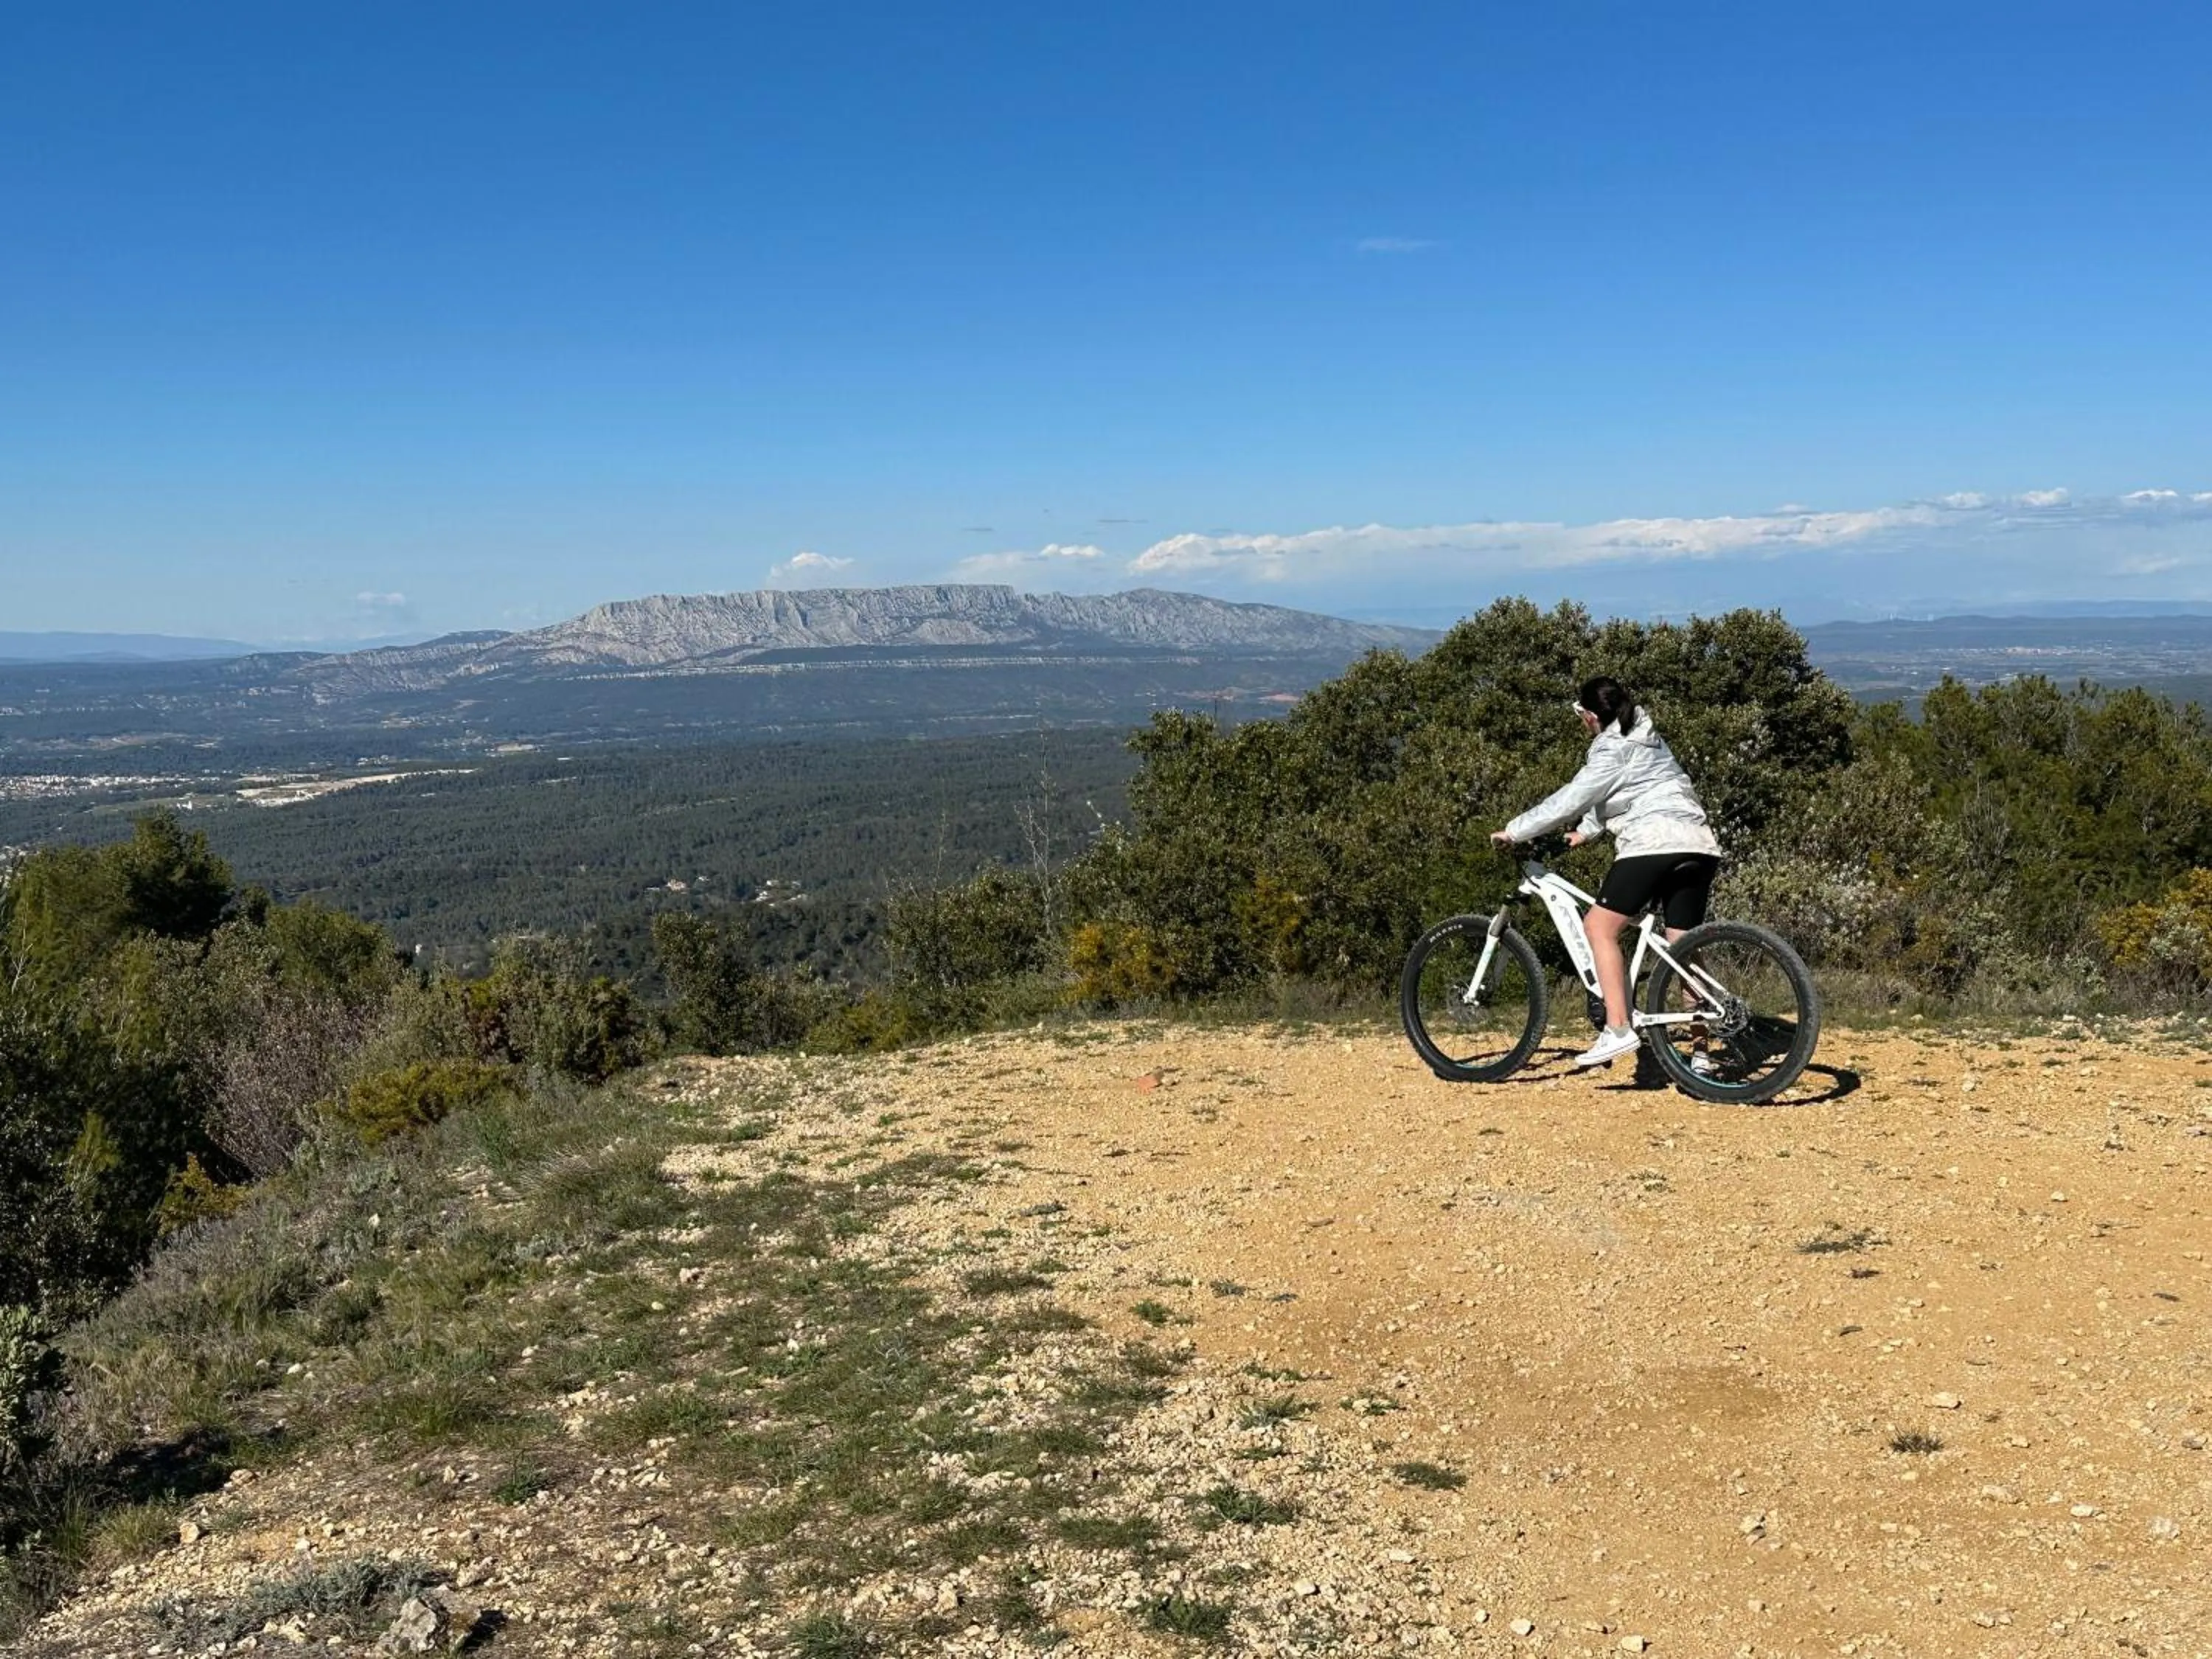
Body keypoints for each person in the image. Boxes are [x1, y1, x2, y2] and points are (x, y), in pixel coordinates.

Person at [1489, 676, 1722, 1070]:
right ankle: (1702, 1055)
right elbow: (1627, 790)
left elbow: (1573, 798)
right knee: (1683, 947)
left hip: (1653, 843)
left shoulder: (1610, 748)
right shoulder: (1646, 737)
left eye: (1581, 714)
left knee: (1599, 928)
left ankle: (1617, 1028)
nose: (1581, 722)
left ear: (1592, 716)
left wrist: (1515, 830)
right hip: (1698, 843)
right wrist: (1586, 833)